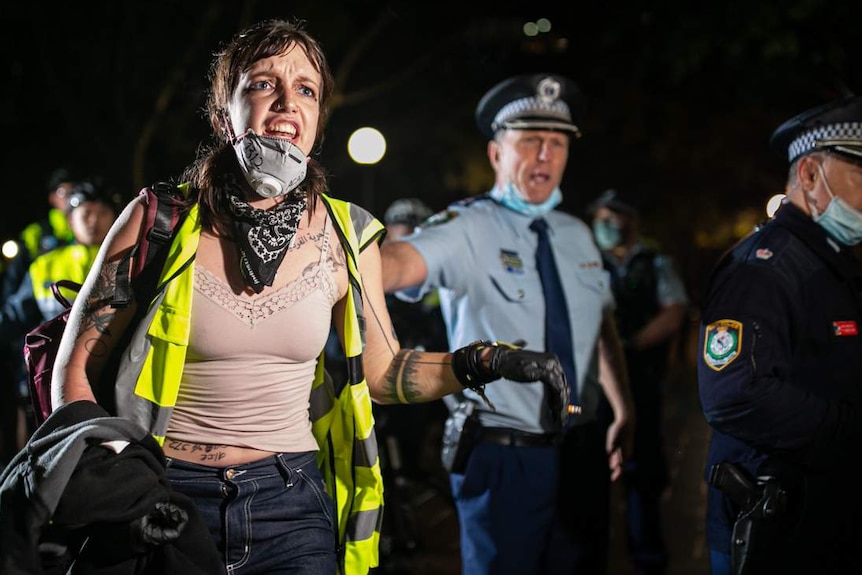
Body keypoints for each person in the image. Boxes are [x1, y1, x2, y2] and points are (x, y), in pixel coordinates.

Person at [49, 19, 570, 575]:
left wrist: (486, 360)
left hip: (291, 504)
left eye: (305, 89)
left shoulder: (348, 234)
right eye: (261, 83)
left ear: (316, 122)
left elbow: (383, 373)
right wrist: (120, 475)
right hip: (166, 496)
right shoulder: (159, 219)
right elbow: (73, 372)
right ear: (225, 114)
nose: (285, 101)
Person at [380, 73, 635, 575]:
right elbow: (393, 267)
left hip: (580, 452)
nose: (545, 156)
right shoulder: (467, 226)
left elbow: (599, 326)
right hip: (503, 455)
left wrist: (625, 409)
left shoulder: (578, 234)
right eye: (531, 142)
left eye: (557, 143)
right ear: (497, 154)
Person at [697, 94, 862, 575]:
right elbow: (734, 393)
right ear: (810, 175)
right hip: (773, 526)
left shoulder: (830, 263)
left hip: (821, 515)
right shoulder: (766, 268)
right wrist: (851, 428)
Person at [589, 188, 688, 575]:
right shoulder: (585, 260)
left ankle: (648, 561)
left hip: (642, 382)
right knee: (590, 483)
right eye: (603, 216)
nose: (609, 224)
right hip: (592, 389)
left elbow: (674, 311)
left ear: (633, 221)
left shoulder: (654, 262)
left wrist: (628, 346)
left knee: (643, 480)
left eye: (617, 216)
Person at [0, 178, 118, 460]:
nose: (93, 221)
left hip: (115, 382)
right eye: (85, 214)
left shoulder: (134, 259)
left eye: (101, 212)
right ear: (70, 221)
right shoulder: (46, 265)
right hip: (52, 384)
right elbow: (14, 314)